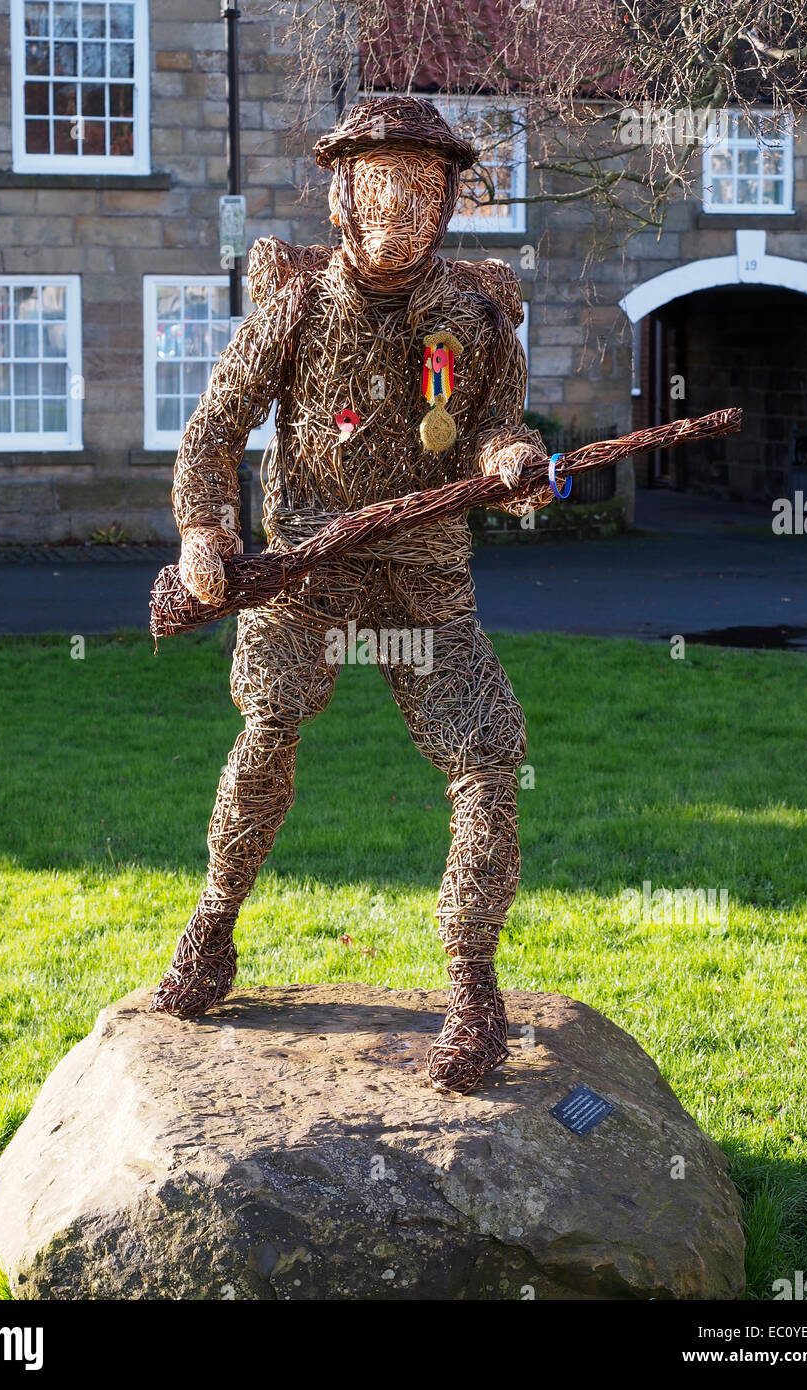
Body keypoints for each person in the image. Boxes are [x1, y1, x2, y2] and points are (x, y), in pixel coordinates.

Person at [151, 95, 550, 1095]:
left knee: (488, 753)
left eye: (423, 185)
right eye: (382, 182)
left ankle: (470, 982)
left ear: (450, 198)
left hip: (424, 580)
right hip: (304, 570)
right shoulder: (296, 306)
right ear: (344, 193)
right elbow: (212, 428)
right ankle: (214, 922)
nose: (401, 204)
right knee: (269, 727)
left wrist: (517, 461)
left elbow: (499, 426)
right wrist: (206, 531)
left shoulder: (478, 317)